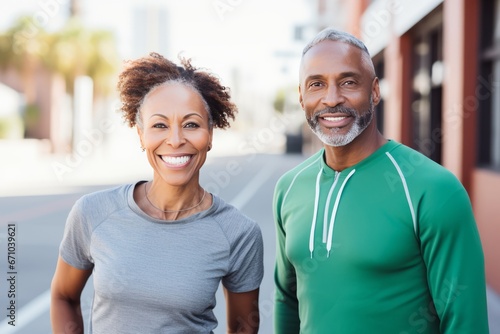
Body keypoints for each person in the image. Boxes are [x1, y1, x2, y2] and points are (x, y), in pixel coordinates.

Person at [273, 28, 489, 333]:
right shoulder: (289, 188)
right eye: (317, 84)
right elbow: (286, 299)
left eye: (348, 82)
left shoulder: (434, 189)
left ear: (374, 91)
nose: (332, 99)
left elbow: (465, 319)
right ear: (301, 96)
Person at [51, 52, 264, 334]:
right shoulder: (92, 212)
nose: (175, 140)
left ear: (210, 134)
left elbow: (243, 329)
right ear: (141, 135)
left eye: (191, 124)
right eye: (159, 125)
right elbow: (63, 296)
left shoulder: (238, 232)